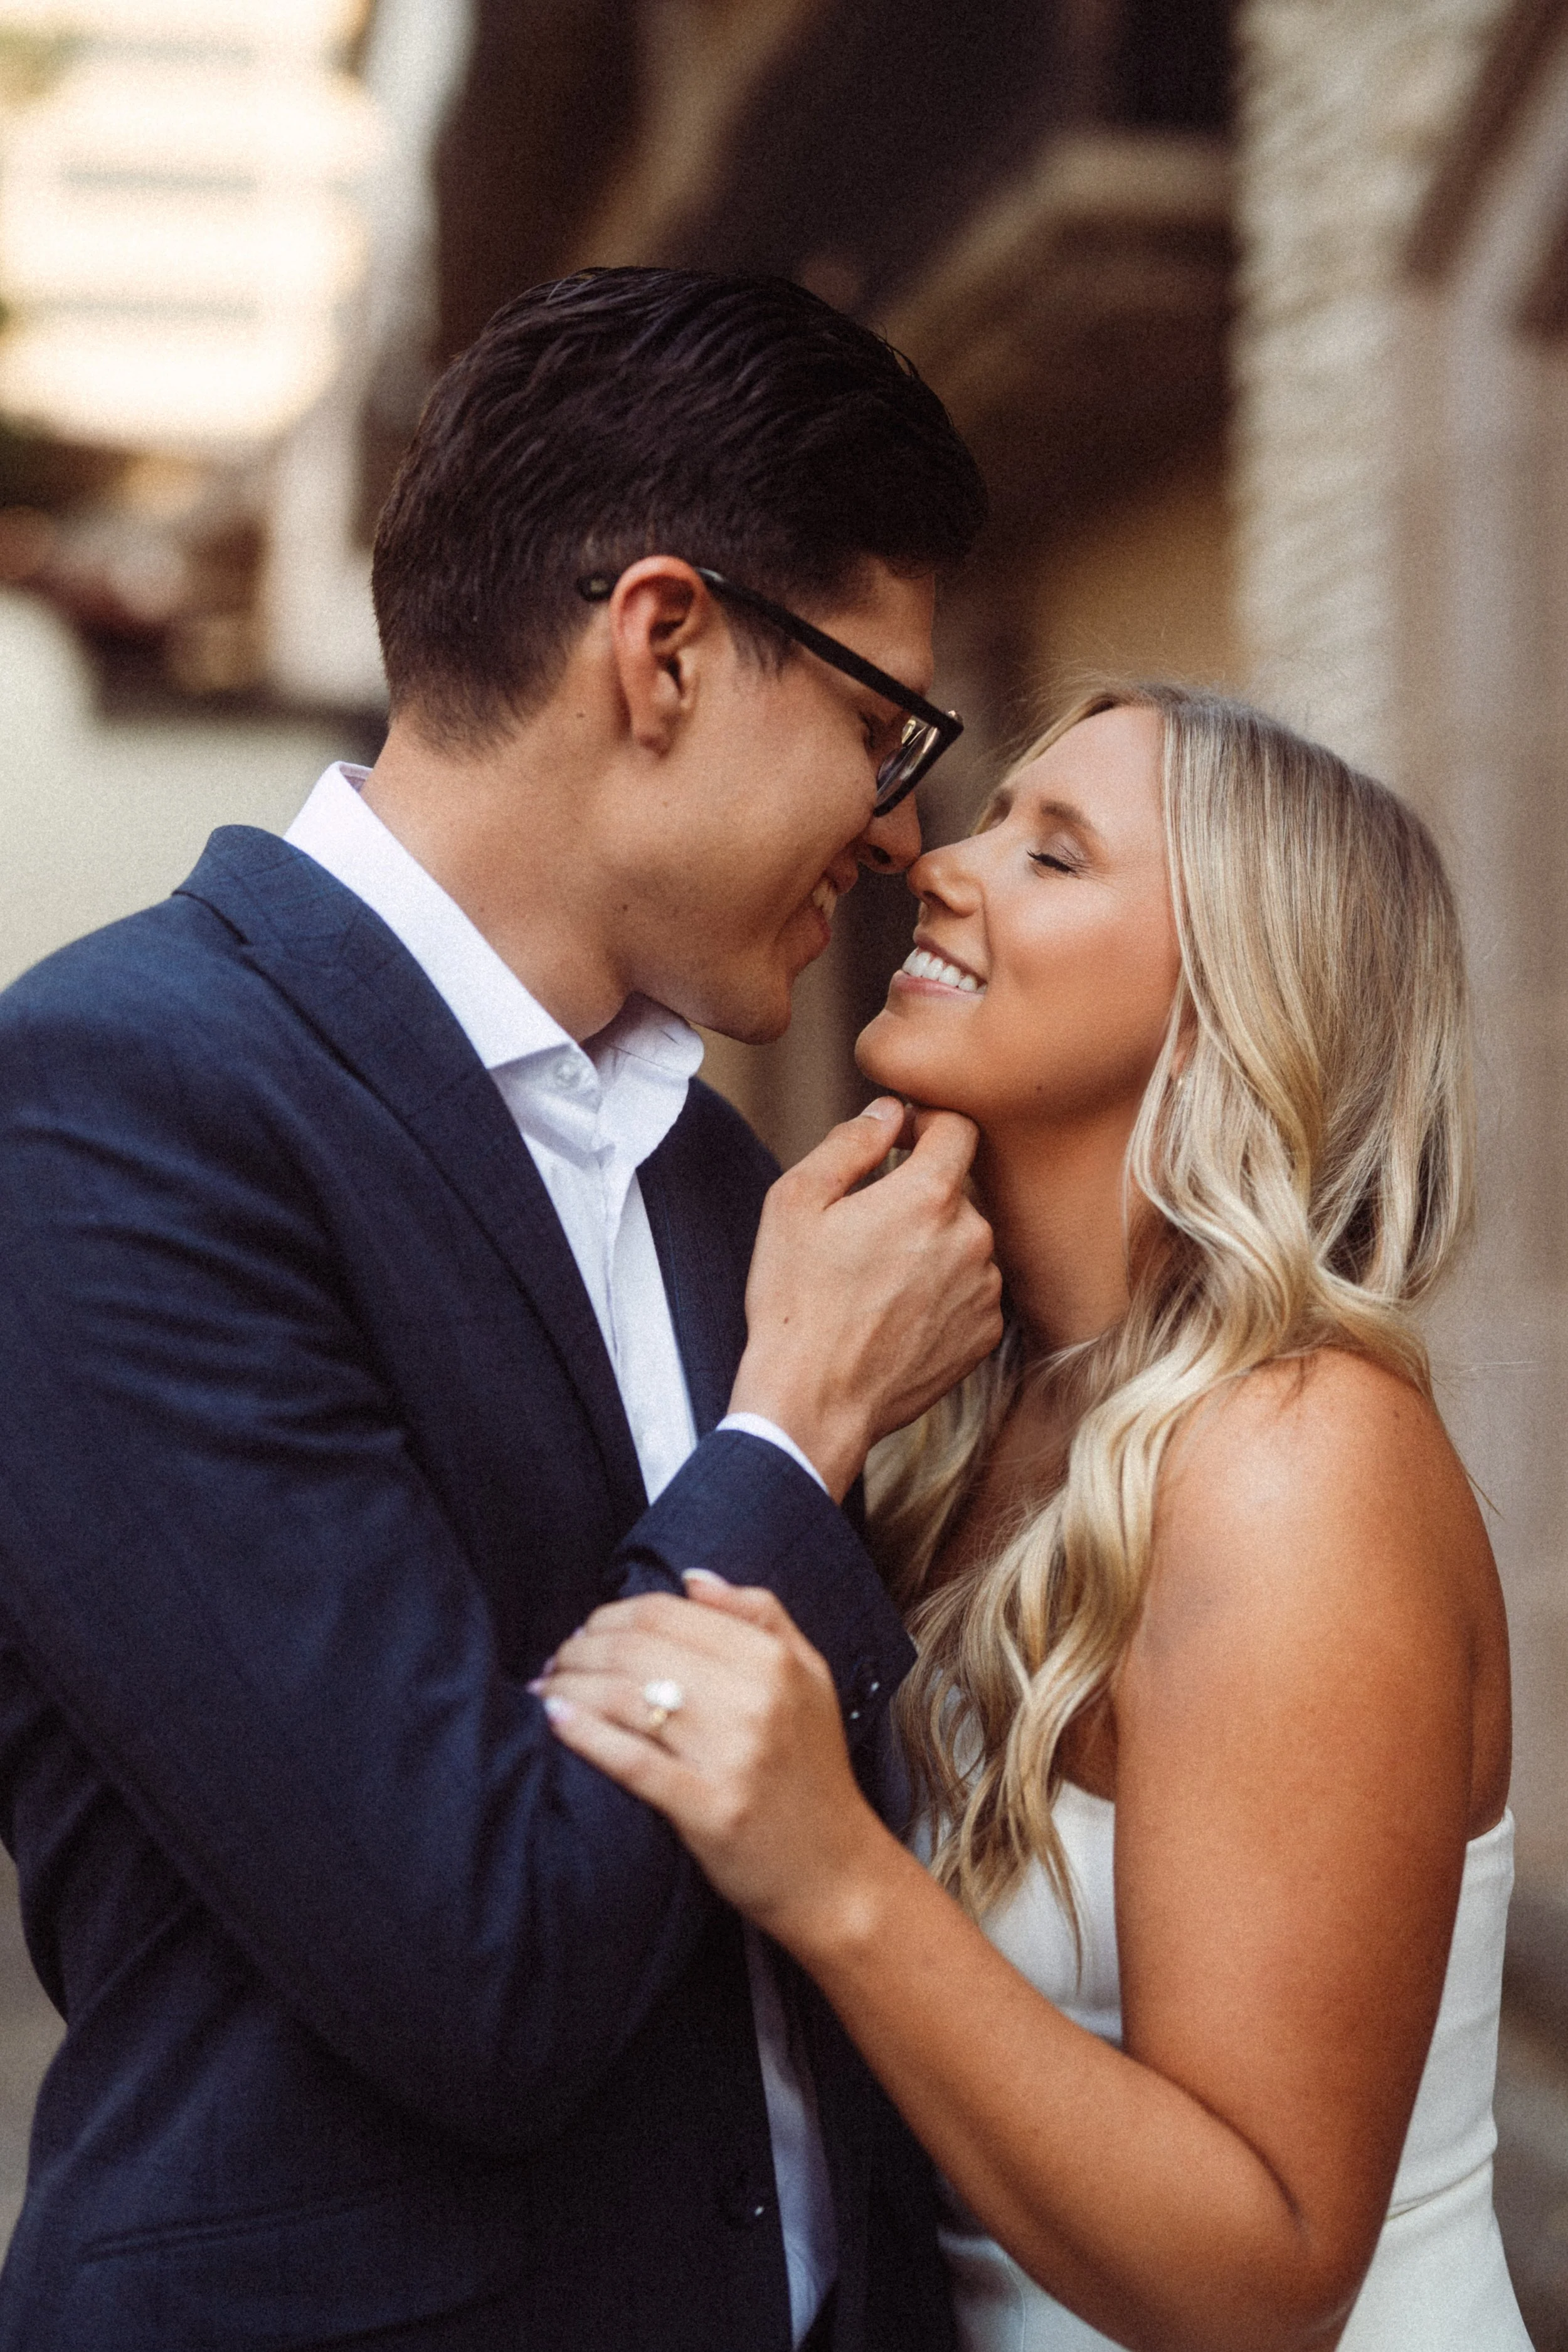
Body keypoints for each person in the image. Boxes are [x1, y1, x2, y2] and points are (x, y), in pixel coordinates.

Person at [0, 270, 1005, 2352]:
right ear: (661, 646)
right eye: (876, 722)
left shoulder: (728, 1186)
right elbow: (477, 1961)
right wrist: (793, 1432)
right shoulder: (115, 1101)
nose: (902, 828)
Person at [539, 683, 1533, 2352]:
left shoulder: (1294, 1456)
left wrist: (837, 1874)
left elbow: (1267, 2274)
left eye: (1052, 851)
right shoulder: (967, 1416)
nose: (939, 865)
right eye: (993, 817)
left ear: (1224, 1009)